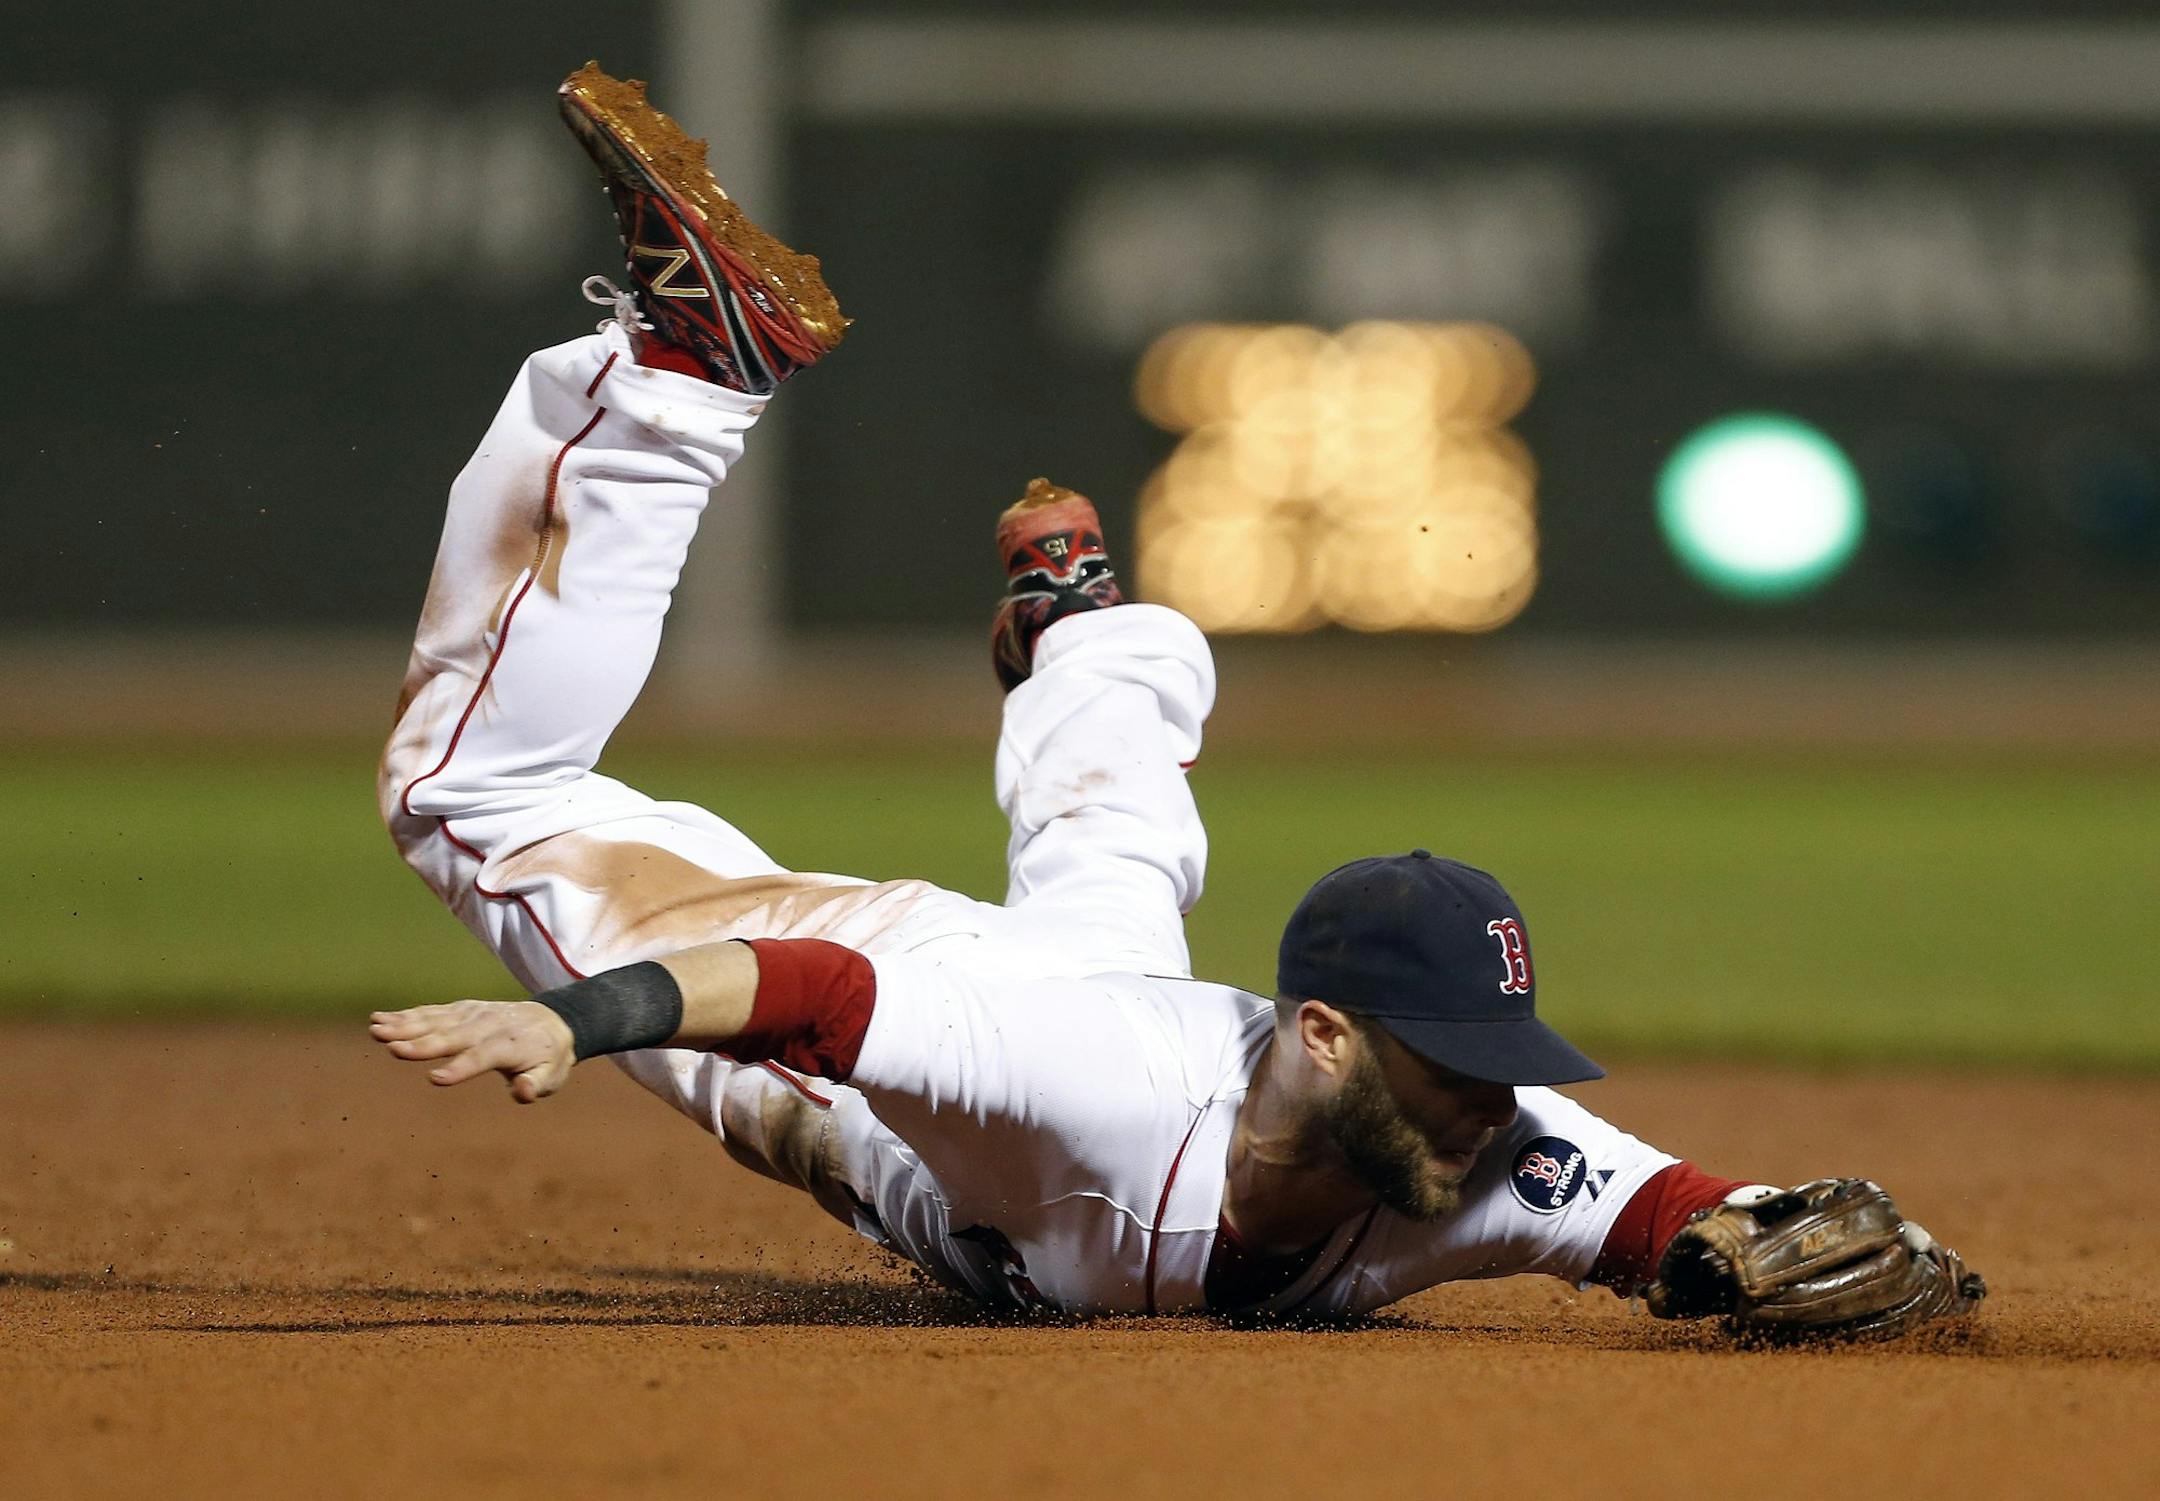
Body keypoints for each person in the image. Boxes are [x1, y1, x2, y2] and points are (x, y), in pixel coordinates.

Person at [370, 64, 1984, 1334]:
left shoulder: (1476, 1145)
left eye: (1500, 1056)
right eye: (1457, 1061)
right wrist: (572, 1020)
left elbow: (1682, 1216)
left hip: (1105, 991)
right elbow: (803, 987)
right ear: (1331, 1033)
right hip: (969, 1013)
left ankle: (1087, 631)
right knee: (470, 798)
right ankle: (679, 375)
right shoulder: (1067, 1077)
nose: (1494, 1098)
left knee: (1115, 857)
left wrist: (1767, 1252)